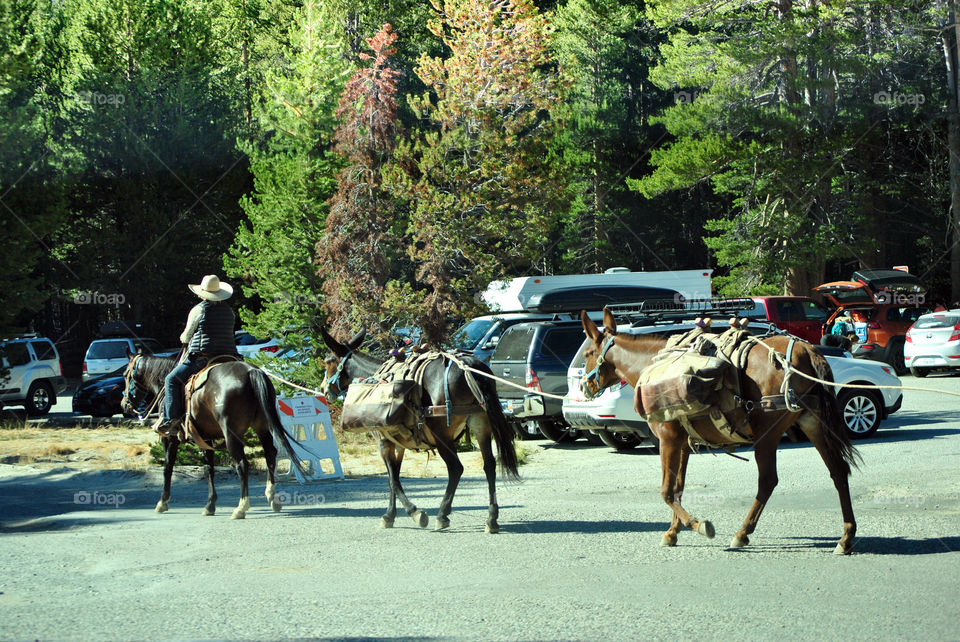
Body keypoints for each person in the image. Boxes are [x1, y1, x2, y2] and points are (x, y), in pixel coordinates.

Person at [155, 275, 238, 437]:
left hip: (203, 358)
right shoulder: (229, 312)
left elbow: (186, 337)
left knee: (171, 380)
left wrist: (183, 338)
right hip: (229, 357)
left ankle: (171, 420)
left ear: (202, 293)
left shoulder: (198, 310)